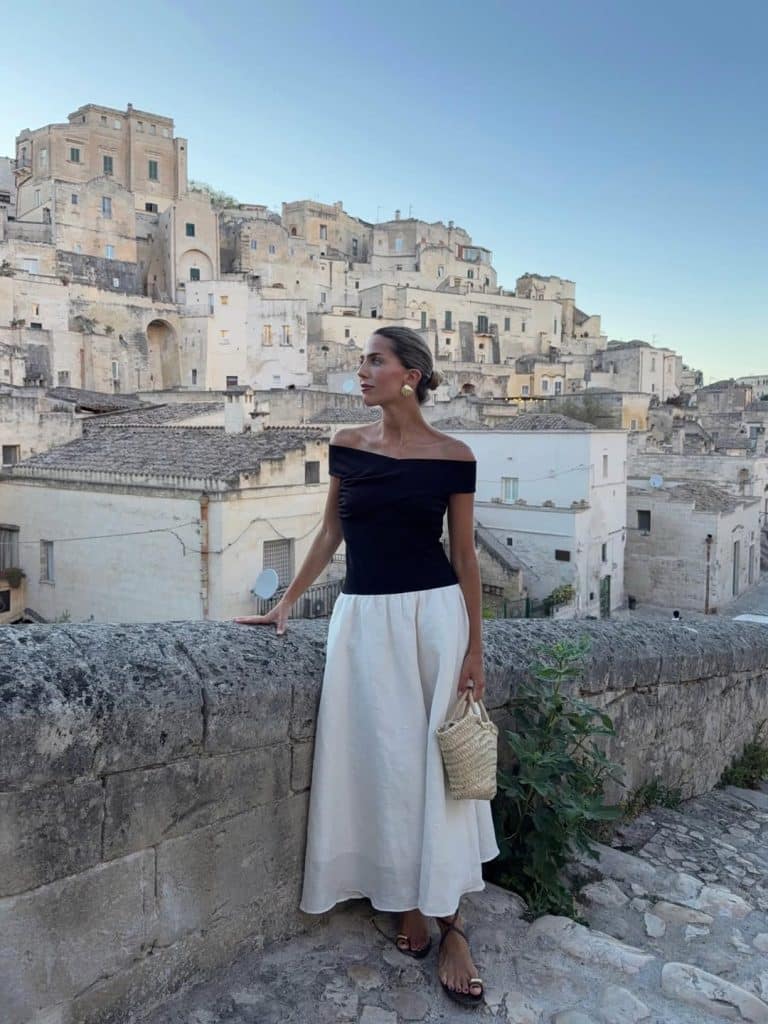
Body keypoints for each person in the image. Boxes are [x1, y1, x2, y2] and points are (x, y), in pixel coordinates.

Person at [236, 325, 498, 1007]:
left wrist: (475, 649)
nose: (362, 372)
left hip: (435, 619)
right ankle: (401, 894)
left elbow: (465, 557)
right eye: (361, 363)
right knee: (380, 761)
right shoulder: (347, 447)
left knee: (436, 769)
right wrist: (285, 603)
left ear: (410, 374)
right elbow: (331, 533)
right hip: (362, 620)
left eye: (374, 362)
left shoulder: (454, 455)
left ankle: (452, 921)